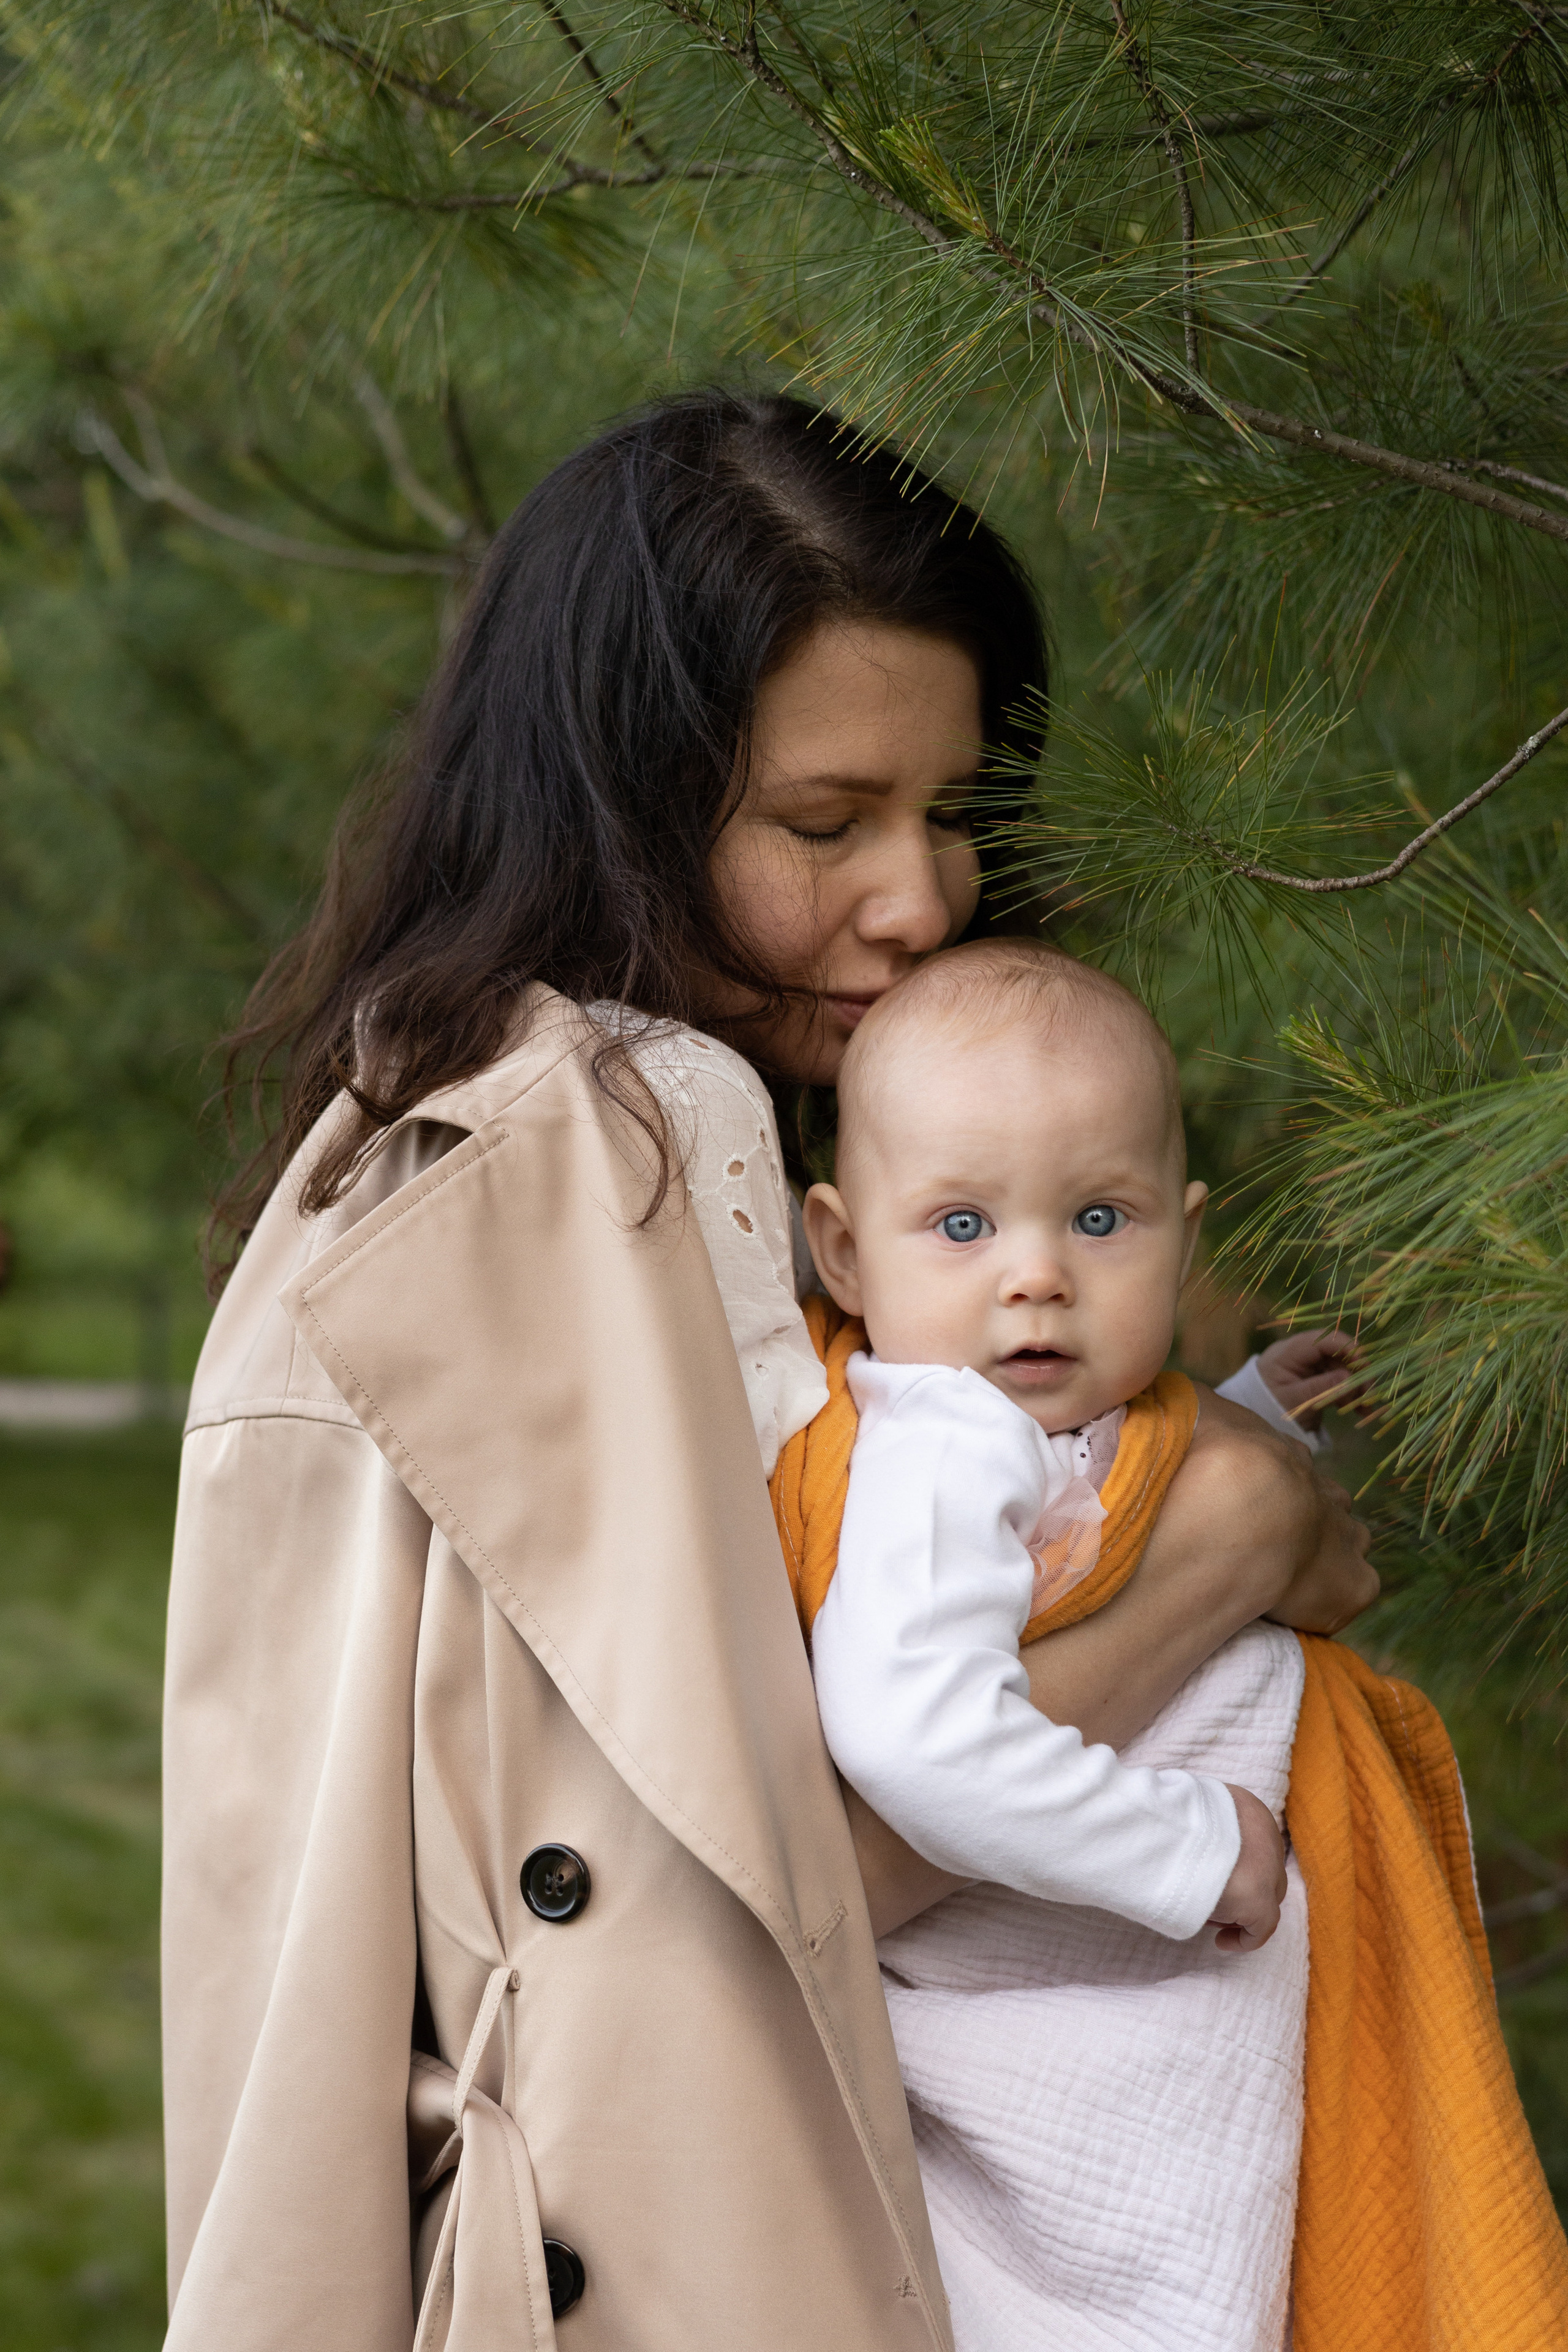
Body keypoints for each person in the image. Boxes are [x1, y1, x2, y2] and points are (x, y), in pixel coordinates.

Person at [164, 389, 1373, 2352]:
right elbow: (746, 1883)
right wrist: (1221, 1548)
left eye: (958, 817)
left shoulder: (402, 1142)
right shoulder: (645, 1134)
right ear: (617, 798)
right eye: (826, 826)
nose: (918, 904)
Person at [801, 939, 1312, 2348]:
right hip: (1045, 2003)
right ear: (844, 1250)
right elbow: (915, 1731)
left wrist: (1255, 1422)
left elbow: (1101, 1517)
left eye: (1099, 1220)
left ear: (1184, 1237)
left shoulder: (1011, 1426)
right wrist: (1188, 1847)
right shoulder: (938, 1448)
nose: (1035, 1278)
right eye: (961, 1228)